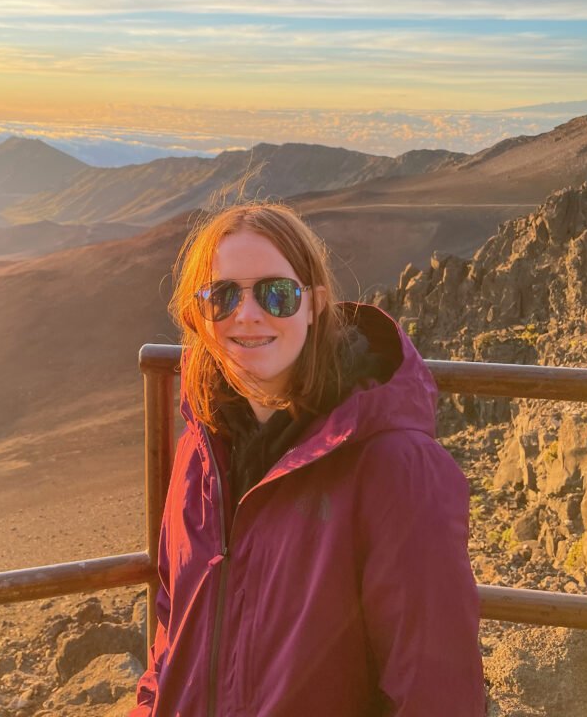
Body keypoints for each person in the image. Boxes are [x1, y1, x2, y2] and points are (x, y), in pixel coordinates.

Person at [131, 201, 484, 716]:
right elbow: (171, 629)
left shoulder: (394, 466)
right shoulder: (201, 449)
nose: (247, 314)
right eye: (223, 296)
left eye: (277, 294)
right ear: (198, 315)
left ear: (315, 303)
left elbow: (434, 693)